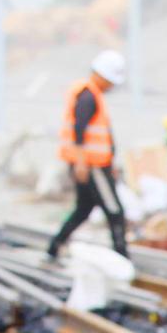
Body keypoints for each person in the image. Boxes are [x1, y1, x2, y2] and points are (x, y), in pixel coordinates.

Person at [47, 51, 129, 262]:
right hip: (92, 166)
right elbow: (79, 131)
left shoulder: (90, 95)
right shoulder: (88, 96)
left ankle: (54, 247)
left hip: (94, 164)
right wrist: (82, 163)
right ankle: (121, 257)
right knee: (114, 211)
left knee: (83, 209)